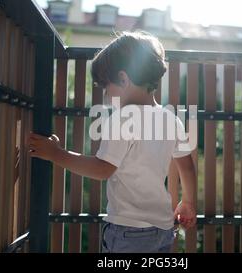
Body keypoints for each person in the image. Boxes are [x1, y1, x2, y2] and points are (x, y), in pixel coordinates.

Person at [28, 31, 197, 253]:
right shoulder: (171, 119)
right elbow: (187, 166)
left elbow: (102, 169)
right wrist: (188, 202)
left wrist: (56, 154)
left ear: (124, 79)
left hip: (130, 232)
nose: (105, 95)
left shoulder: (122, 119)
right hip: (163, 229)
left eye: (105, 86)